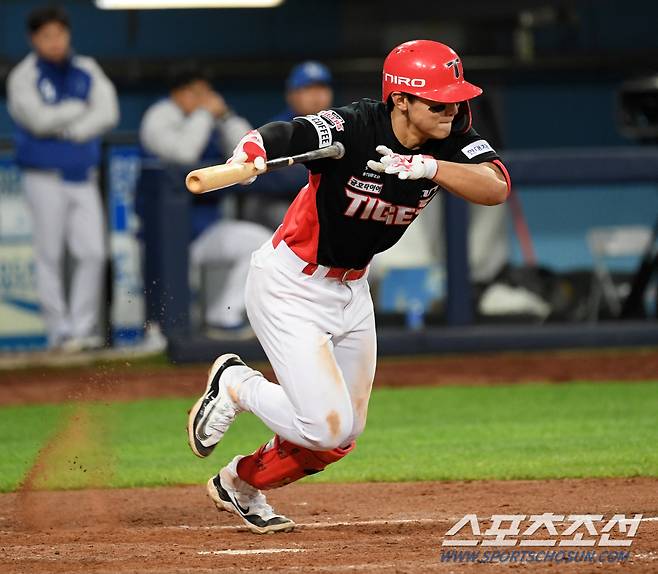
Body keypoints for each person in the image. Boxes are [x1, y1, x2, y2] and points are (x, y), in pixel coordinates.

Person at [187, 40, 511, 533]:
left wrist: (429, 168)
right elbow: (282, 134)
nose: (452, 110)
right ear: (401, 99)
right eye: (438, 101)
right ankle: (237, 384)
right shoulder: (354, 126)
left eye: (456, 98)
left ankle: (239, 484)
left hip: (352, 291)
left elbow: (496, 186)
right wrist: (249, 154)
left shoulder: (450, 134)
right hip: (290, 284)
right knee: (325, 425)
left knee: (342, 436)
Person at [6, 4, 119, 351]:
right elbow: (37, 121)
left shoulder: (86, 68)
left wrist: (69, 130)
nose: (54, 42)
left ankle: (81, 330)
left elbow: (109, 113)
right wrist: (79, 110)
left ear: (68, 35)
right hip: (43, 176)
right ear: (34, 39)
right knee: (49, 255)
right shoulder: (23, 75)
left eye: (60, 34)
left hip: (81, 174)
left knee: (93, 252)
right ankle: (60, 332)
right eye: (46, 36)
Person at [139, 67, 271, 334]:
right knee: (164, 312)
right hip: (160, 236)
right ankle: (157, 336)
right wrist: (203, 113)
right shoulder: (158, 117)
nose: (204, 99)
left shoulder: (210, 119)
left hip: (204, 230)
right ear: (178, 93)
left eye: (206, 93)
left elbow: (252, 151)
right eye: (195, 93)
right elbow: (185, 154)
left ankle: (222, 317)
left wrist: (224, 115)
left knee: (260, 244)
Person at [243, 61, 334, 230]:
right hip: (276, 204)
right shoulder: (277, 130)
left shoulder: (338, 125)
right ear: (291, 94)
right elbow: (275, 180)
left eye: (321, 88)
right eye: (308, 89)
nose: (316, 95)